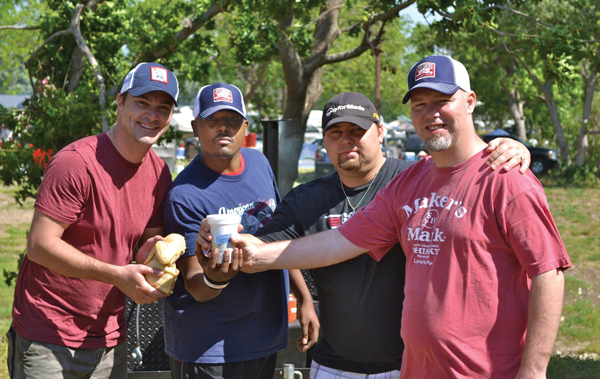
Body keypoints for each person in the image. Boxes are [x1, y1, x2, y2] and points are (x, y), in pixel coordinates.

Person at [221, 56, 571, 379]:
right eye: (420, 105)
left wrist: (534, 371)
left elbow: (548, 272)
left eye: (441, 101)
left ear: (470, 102)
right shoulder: (410, 183)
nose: (430, 113)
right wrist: (256, 255)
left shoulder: (507, 177)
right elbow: (339, 242)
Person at [8, 62, 179, 378]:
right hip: (48, 334)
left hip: (109, 338)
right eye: (142, 102)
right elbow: (39, 246)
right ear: (120, 101)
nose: (153, 115)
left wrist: (156, 258)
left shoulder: (159, 174)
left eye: (163, 108)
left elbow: (147, 247)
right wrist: (117, 275)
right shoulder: (75, 163)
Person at [161, 82, 317, 379]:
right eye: (212, 121)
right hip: (208, 348)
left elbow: (280, 236)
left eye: (232, 120)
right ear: (196, 128)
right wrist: (217, 278)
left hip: (263, 337)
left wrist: (304, 296)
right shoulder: (184, 194)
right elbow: (194, 283)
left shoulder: (259, 163)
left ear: (245, 127)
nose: (223, 128)